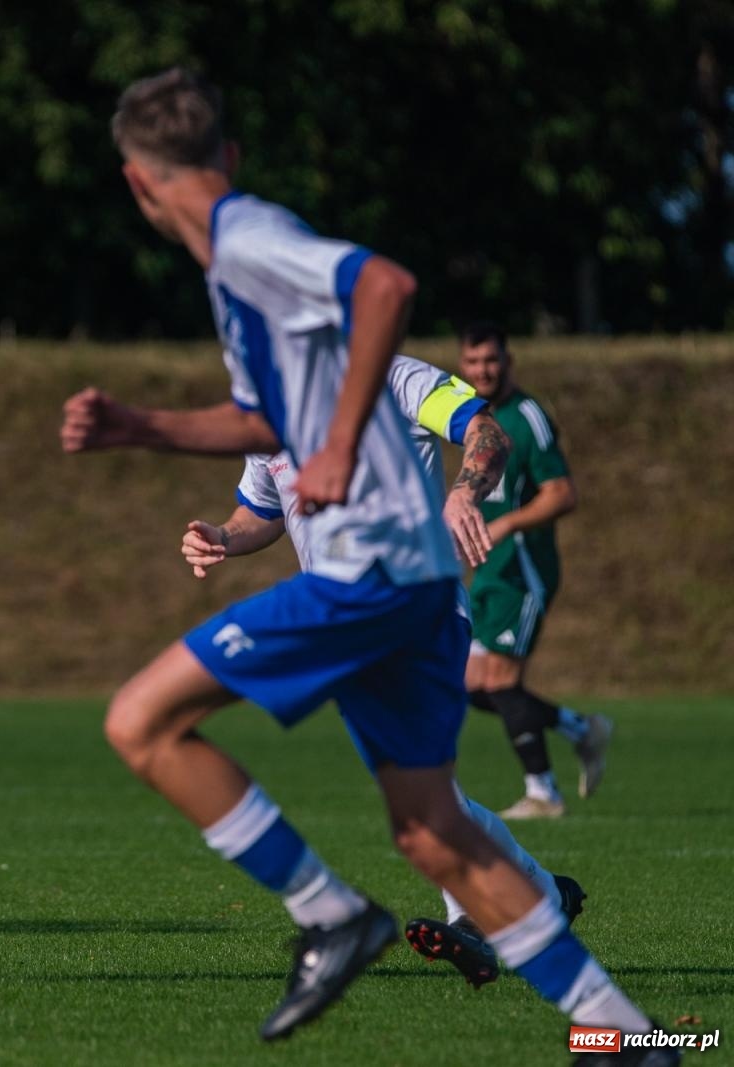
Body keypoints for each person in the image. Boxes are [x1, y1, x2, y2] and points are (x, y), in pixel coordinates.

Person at [61, 68, 669, 1060]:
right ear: (228, 152)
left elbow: (385, 286)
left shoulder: (250, 239)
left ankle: (331, 915)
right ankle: (630, 1037)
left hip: (368, 570)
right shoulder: (238, 275)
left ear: (135, 183)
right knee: (432, 827)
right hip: (405, 581)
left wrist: (346, 440)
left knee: (140, 718)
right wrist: (144, 428)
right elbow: (268, 425)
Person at [172, 352, 587, 989]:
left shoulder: (394, 377)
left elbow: (487, 432)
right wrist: (222, 536)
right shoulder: (271, 401)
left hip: (422, 608)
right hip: (341, 624)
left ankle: (479, 926)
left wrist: (462, 494)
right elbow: (262, 508)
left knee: (423, 788)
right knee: (418, 791)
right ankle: (540, 897)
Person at [458, 321, 612, 819]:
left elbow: (562, 493)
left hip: (523, 568)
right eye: (473, 361)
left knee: (500, 681)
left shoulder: (527, 416)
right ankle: (579, 730)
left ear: (508, 361)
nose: (483, 370)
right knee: (467, 684)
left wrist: (506, 526)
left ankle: (543, 792)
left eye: (491, 360)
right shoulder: (470, 419)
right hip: (489, 571)